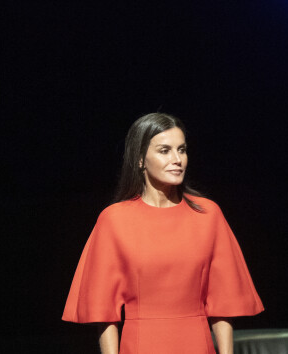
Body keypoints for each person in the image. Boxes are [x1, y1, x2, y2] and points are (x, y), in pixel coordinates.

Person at [62, 113, 263, 354]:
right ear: (139, 159)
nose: (178, 159)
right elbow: (103, 310)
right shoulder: (114, 220)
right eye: (164, 150)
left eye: (182, 150)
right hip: (140, 344)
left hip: (196, 344)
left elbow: (223, 300)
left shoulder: (208, 215)